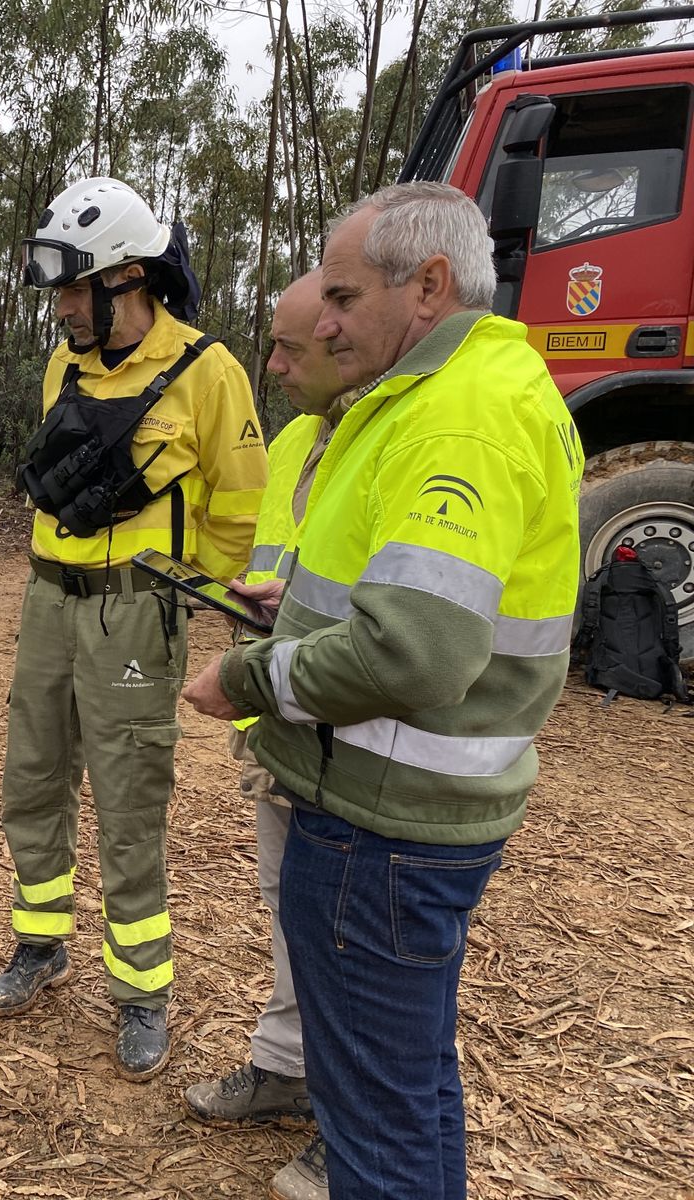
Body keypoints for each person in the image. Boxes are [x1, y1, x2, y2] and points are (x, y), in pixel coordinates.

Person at [182, 182, 582, 1199]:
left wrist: (248, 675)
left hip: (381, 825)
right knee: (405, 1090)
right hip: (406, 813)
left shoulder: (456, 419)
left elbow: (414, 654)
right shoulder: (461, 391)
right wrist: (303, 613)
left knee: (375, 1128)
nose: (322, 322)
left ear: (429, 286)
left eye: (345, 297)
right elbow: (423, 599)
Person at [0, 176, 267, 1079]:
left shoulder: (209, 371)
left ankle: (142, 992)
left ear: (127, 279)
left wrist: (178, 591)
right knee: (32, 777)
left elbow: (239, 507)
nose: (63, 309)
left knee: (129, 798)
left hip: (136, 612)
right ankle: (40, 944)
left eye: (76, 290)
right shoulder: (64, 364)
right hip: (47, 601)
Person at [181, 270, 355, 1200]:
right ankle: (287, 1067)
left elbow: (393, 614)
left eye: (288, 348)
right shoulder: (296, 439)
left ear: (346, 335)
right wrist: (261, 605)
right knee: (291, 909)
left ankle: (349, 1120)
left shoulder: (397, 441)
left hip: (354, 732)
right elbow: (303, 571)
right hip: (284, 720)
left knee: (349, 935)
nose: (274, 366)